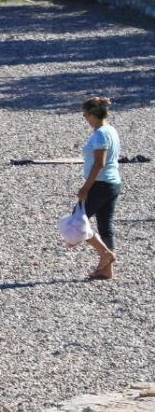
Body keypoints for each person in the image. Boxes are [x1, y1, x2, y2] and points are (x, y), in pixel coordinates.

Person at [78, 96, 122, 280]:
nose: (85, 119)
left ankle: (105, 254)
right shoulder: (111, 130)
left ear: (92, 114)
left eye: (85, 115)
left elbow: (99, 164)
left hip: (100, 184)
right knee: (105, 226)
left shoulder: (100, 134)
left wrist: (85, 188)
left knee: (77, 222)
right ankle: (106, 270)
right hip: (113, 183)